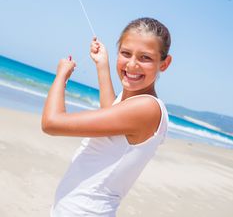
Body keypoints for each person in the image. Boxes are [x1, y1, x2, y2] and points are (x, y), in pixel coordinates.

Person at [42, 17, 172, 217]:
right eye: (126, 53)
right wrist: (102, 65)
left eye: (145, 57)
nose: (132, 64)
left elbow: (51, 123)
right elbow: (111, 117)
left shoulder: (147, 108)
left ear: (164, 63)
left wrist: (61, 76)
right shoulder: (132, 104)